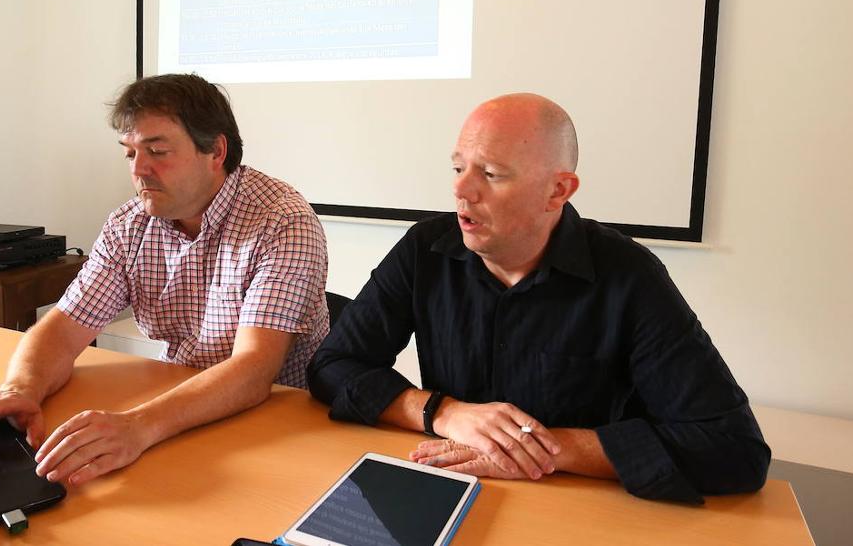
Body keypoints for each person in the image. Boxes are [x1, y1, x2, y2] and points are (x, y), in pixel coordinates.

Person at [307, 93, 769, 503]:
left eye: (491, 173)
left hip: (575, 504)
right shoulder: (425, 249)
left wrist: (541, 447)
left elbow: (734, 448)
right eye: (458, 168)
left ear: (557, 190)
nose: (461, 190)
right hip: (449, 488)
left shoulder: (629, 276)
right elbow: (332, 365)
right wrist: (442, 413)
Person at [0, 73, 328, 486]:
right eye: (130, 153)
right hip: (182, 411)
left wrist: (138, 425)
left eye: (157, 151)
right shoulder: (130, 225)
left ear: (216, 151)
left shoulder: (283, 222)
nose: (140, 169)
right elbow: (64, 329)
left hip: (281, 426)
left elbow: (253, 370)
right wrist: (20, 389)